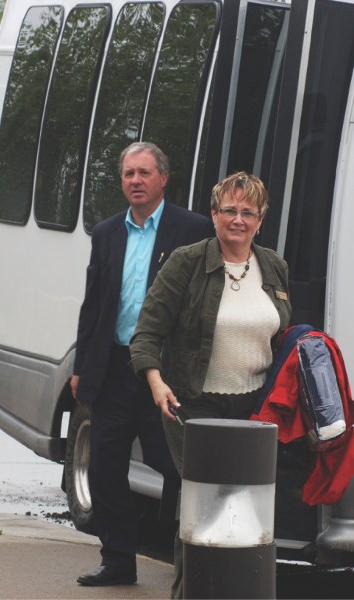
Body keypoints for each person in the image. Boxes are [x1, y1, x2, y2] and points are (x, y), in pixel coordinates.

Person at [129, 171, 292, 598]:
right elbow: (146, 332)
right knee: (207, 507)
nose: (238, 220)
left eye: (248, 212)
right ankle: (189, 593)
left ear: (260, 219)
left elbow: (282, 335)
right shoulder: (187, 261)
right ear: (214, 214)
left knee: (250, 512)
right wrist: (156, 382)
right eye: (229, 210)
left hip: (255, 410)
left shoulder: (274, 265)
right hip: (195, 406)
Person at [71, 141, 214, 587]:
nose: (135, 181)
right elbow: (93, 305)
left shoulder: (193, 229)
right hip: (114, 368)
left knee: (173, 464)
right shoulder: (107, 232)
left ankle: (191, 563)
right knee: (104, 468)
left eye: (144, 173)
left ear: (163, 178)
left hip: (165, 375)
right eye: (128, 174)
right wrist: (81, 365)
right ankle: (117, 561)